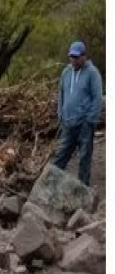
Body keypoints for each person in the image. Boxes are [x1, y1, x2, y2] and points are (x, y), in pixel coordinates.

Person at [52, 41, 103, 186]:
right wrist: (60, 114)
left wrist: (90, 120)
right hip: (67, 123)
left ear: (84, 56)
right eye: (71, 57)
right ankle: (50, 186)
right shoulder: (66, 72)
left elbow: (97, 97)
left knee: (84, 158)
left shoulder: (92, 73)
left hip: (84, 124)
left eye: (76, 57)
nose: (73, 60)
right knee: (60, 155)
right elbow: (61, 93)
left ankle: (83, 191)